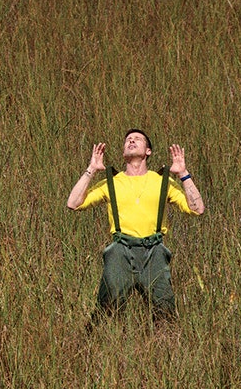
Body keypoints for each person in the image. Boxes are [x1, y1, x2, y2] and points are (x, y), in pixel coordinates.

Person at [66, 129, 205, 322]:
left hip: (154, 251)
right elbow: (73, 203)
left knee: (165, 310)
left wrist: (183, 173)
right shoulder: (112, 183)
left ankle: (166, 346)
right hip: (120, 250)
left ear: (148, 151)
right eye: (128, 140)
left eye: (137, 139)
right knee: (108, 309)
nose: (131, 141)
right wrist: (91, 169)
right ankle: (102, 343)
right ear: (123, 153)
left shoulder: (163, 181)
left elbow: (197, 208)